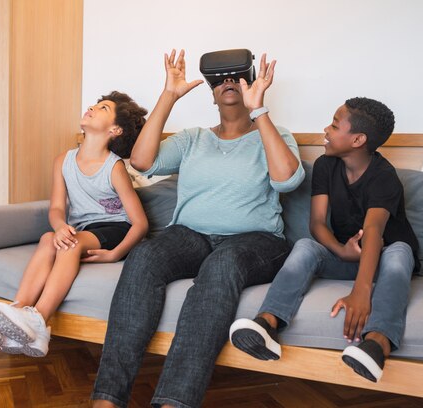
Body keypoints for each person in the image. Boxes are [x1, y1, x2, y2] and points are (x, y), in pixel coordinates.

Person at [91, 49, 305, 408]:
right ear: (211, 93)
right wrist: (169, 95)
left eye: (236, 78)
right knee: (144, 256)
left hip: (257, 240)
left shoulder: (275, 132)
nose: (228, 84)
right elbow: (143, 161)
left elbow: (287, 180)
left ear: (250, 83)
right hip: (191, 235)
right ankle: (108, 399)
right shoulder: (193, 139)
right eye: (219, 80)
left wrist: (259, 111)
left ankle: (173, 401)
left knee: (222, 266)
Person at [229, 97, 420, 383]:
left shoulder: (384, 177)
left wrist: (360, 291)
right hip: (350, 256)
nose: (326, 130)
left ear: (357, 139)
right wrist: (341, 253)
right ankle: (267, 323)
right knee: (305, 245)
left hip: (383, 257)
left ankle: (376, 344)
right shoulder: (325, 165)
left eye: (334, 124)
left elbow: (374, 233)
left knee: (400, 252)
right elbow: (317, 223)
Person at [0, 91, 149, 358]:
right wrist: (60, 225)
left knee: (70, 244)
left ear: (115, 129)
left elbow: (140, 223)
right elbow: (57, 208)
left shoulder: (114, 167)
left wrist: (115, 254)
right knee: (48, 239)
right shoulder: (63, 161)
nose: (92, 107)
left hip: (116, 229)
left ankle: (39, 320)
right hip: (84, 229)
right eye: (94, 104)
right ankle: (17, 309)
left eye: (103, 108)